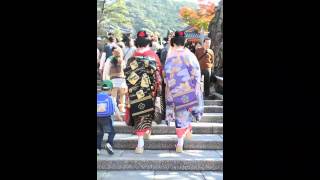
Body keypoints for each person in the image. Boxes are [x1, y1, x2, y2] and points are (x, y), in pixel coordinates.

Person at [124, 31, 164, 154]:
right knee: (147, 113)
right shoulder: (153, 55)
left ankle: (143, 137)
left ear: (137, 42)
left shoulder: (132, 56)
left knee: (138, 114)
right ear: (148, 42)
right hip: (149, 90)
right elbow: (159, 73)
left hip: (135, 91)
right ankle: (141, 141)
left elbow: (126, 73)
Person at [164, 31, 204, 153]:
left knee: (179, 115)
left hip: (173, 90)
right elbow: (197, 74)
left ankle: (181, 142)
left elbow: (166, 75)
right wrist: (196, 89)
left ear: (173, 41)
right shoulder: (190, 55)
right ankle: (182, 140)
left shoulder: (169, 55)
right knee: (185, 114)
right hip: (189, 90)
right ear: (185, 41)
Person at [97, 80, 119, 155]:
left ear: (101, 88)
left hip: (97, 118)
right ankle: (109, 144)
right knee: (112, 132)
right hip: (106, 118)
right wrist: (119, 116)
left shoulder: (97, 96)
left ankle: (98, 149)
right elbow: (115, 108)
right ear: (110, 90)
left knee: (99, 134)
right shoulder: (111, 98)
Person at [102, 46, 127, 113]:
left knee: (113, 97)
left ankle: (113, 109)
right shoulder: (122, 61)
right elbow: (125, 70)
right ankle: (121, 109)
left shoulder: (110, 61)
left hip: (113, 81)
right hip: (122, 81)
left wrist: (105, 79)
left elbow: (106, 71)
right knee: (122, 96)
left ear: (113, 53)